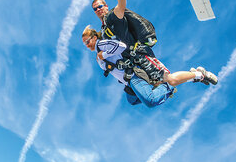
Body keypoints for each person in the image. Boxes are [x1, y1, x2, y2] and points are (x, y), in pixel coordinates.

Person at [82, 26, 217, 108]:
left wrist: (104, 54)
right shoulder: (97, 54)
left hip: (134, 75)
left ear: (94, 37)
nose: (87, 44)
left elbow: (121, 46)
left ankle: (169, 86)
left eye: (88, 41)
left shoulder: (102, 44)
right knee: (132, 100)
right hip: (128, 83)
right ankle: (184, 78)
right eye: (85, 43)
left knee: (151, 100)